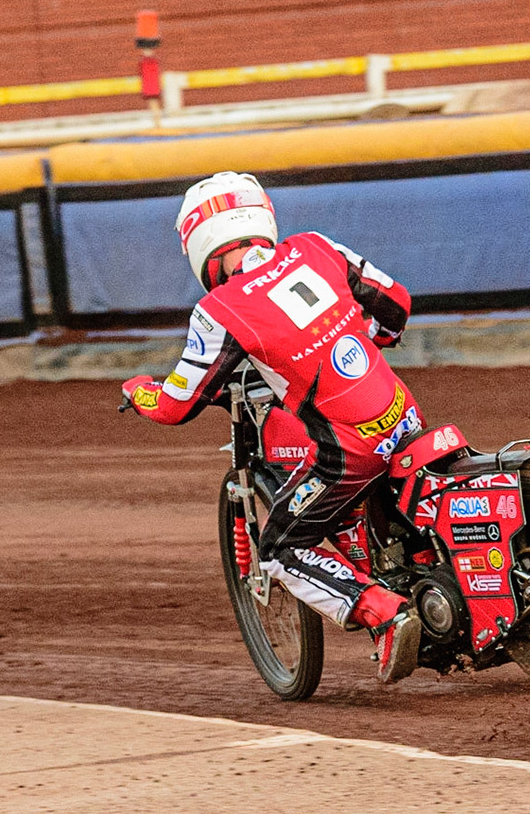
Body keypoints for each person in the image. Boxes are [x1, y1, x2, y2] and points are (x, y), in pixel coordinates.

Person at [121, 171, 425, 682]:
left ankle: (386, 613)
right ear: (261, 217)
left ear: (199, 244)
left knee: (282, 548)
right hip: (405, 414)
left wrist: (138, 391)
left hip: (351, 451)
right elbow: (396, 303)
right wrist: (375, 337)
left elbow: (176, 403)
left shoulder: (219, 309)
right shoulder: (316, 246)